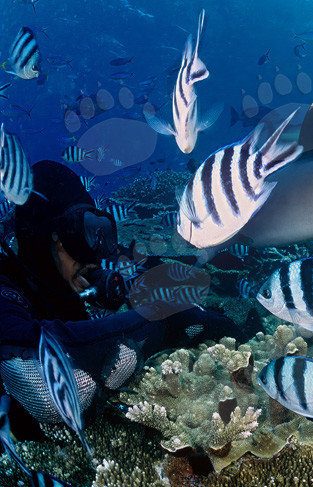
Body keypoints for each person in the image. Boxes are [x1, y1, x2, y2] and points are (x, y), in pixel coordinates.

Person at [0, 160, 239, 438]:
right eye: (75, 235)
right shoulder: (6, 285)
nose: (91, 253)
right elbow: (30, 357)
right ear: (42, 241)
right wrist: (160, 320)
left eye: (96, 231)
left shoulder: (75, 272)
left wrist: (209, 320)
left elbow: (150, 270)